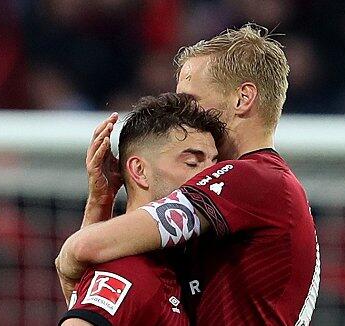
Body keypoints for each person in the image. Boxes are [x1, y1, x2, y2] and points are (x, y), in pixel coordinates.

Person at [56, 24, 320, 325]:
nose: (183, 113)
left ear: (242, 98)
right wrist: (100, 203)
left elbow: (86, 248)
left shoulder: (251, 179)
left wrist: (68, 258)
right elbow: (107, 292)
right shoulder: (252, 201)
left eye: (191, 101)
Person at [58, 92, 226, 325]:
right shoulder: (126, 272)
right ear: (139, 171)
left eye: (214, 164)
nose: (208, 176)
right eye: (192, 163)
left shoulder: (190, 265)